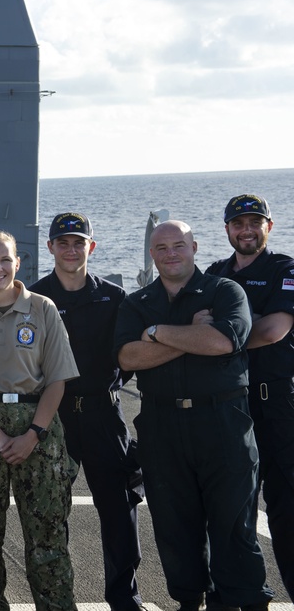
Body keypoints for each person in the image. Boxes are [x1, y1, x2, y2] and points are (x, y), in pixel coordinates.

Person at [114, 220, 273, 611]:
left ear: (194, 247)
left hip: (222, 422)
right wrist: (185, 334)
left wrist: (156, 333)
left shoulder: (225, 291)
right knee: (174, 526)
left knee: (233, 524)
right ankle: (190, 601)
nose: (171, 253)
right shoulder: (137, 302)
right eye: (162, 247)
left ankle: (244, 602)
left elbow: (222, 341)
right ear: (152, 254)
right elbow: (127, 357)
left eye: (179, 245)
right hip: (161, 426)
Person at [0, 229, 78, 611]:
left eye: (5, 259)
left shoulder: (43, 309)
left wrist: (32, 435)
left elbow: (57, 379)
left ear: (18, 263)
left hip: (38, 428)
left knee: (48, 537)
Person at [30, 212, 145, 611]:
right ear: (50, 248)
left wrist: (108, 387)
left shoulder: (113, 296)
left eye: (79, 242)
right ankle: (56, 597)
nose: (71, 249)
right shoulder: (35, 297)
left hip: (102, 413)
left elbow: (128, 355)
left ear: (91, 247)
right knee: (48, 509)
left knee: (118, 510)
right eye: (63, 242)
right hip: (54, 415)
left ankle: (125, 597)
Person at [207, 194, 294, 599]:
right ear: (226, 229)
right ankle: (244, 597)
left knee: (286, 510)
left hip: (276, 406)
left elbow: (275, 329)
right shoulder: (214, 273)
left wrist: (223, 335)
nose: (246, 229)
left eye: (255, 222)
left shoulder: (284, 269)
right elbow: (197, 325)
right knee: (230, 511)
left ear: (269, 227)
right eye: (238, 223)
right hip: (229, 405)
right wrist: (244, 327)